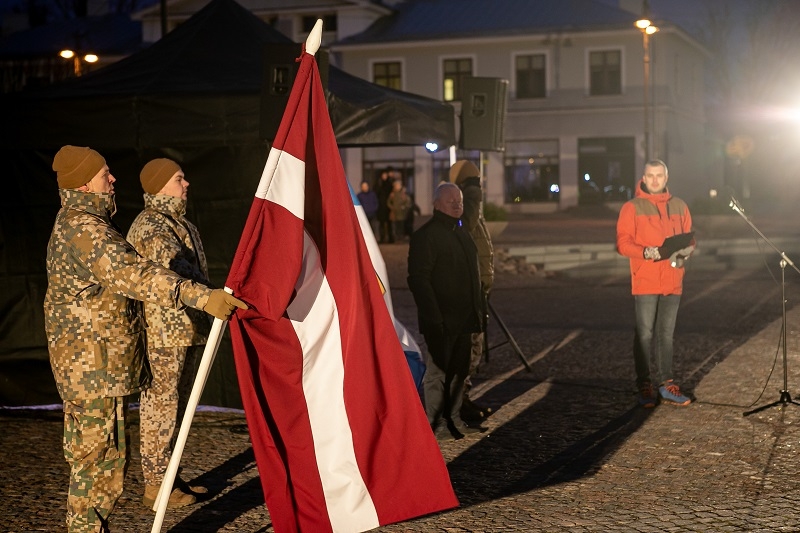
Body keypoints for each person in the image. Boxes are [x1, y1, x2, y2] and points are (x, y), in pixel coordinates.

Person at [44, 145, 247, 533]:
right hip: (91, 367)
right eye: (105, 173)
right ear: (85, 184)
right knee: (97, 466)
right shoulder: (84, 229)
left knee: (102, 462)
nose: (114, 178)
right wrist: (202, 297)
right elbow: (135, 274)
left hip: (99, 365)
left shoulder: (82, 221)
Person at [126, 158, 212, 510]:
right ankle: (157, 486)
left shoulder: (180, 223)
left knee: (176, 408)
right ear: (160, 186)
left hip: (185, 328)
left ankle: (171, 475)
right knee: (159, 409)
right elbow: (171, 266)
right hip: (164, 332)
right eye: (178, 179)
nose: (186, 184)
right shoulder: (151, 226)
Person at [408, 182, 486, 441]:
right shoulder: (426, 236)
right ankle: (436, 423)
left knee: (459, 373)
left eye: (460, 200)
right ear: (436, 203)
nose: (457, 204)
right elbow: (419, 280)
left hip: (464, 319)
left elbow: (473, 277)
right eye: (451, 200)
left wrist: (477, 312)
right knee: (438, 374)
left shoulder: (462, 232)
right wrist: (435, 318)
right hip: (440, 321)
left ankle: (453, 420)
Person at [616, 159, 695, 408]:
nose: (654, 180)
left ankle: (666, 384)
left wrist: (683, 255)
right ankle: (645, 385)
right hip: (646, 279)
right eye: (650, 175)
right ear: (643, 177)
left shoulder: (680, 206)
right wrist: (645, 252)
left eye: (659, 175)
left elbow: (690, 238)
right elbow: (623, 243)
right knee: (644, 334)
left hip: (672, 279)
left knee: (666, 335)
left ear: (666, 177)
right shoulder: (632, 207)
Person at [449, 160, 494, 422]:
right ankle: (458, 403)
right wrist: (473, 195)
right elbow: (467, 225)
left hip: (478, 286)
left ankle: (462, 399)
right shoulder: (466, 204)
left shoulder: (469, 203)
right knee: (470, 346)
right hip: (470, 287)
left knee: (474, 345)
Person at [376, 168, 395, 243]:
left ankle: (391, 238)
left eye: (385, 175)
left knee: (389, 223)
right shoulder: (378, 183)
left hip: (388, 207)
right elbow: (376, 193)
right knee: (381, 224)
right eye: (383, 175)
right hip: (381, 207)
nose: (384, 176)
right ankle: (382, 238)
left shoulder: (389, 183)